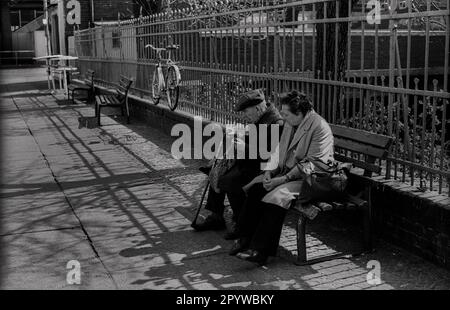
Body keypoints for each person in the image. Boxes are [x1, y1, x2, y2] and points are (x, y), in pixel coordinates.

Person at [229, 90, 346, 266]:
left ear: (299, 113)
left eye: (285, 114)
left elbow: (312, 163)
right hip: (293, 175)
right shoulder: (292, 123)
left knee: (277, 198)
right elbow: (278, 151)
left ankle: (260, 251)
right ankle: (246, 238)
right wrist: (268, 171)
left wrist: (282, 180)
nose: (282, 117)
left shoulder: (319, 127)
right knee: (256, 188)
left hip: (314, 180)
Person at [192, 89, 284, 239]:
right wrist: (237, 137)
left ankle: (242, 223)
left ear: (257, 108)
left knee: (230, 179)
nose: (244, 115)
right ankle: (216, 216)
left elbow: (268, 155)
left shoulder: (276, 123)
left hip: (266, 169)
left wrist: (243, 147)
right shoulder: (261, 117)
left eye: (246, 111)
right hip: (253, 162)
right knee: (217, 169)